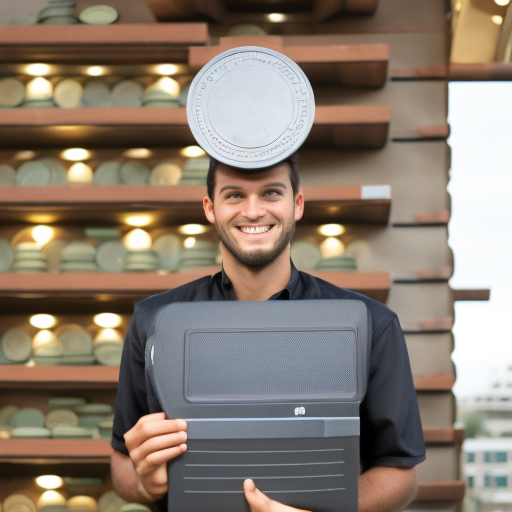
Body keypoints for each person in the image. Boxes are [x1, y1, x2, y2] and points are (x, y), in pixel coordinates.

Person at [110, 153, 426, 512]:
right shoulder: (153, 320)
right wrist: (144, 482)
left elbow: (400, 472)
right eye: (234, 196)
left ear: (298, 204)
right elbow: (121, 464)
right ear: (210, 208)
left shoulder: (373, 324)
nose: (254, 211)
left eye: (271, 193)